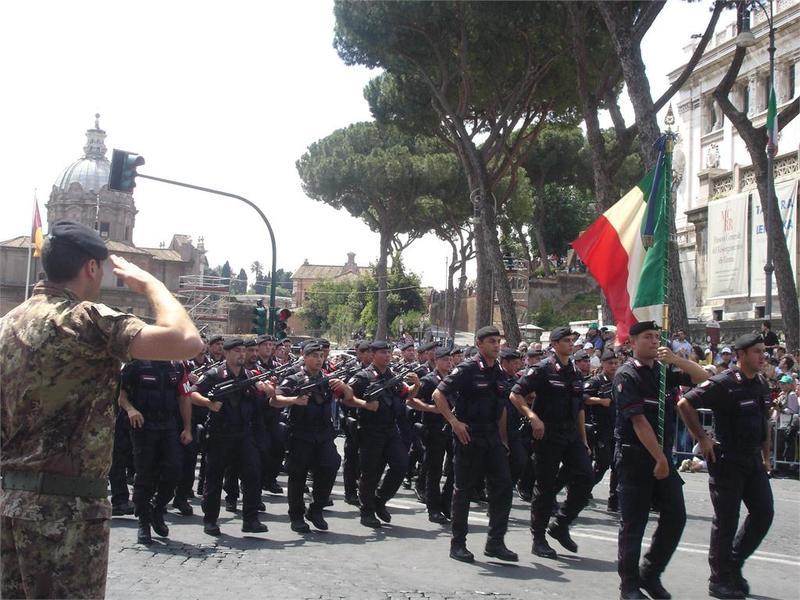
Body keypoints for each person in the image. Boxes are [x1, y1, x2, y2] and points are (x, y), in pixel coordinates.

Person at [0, 220, 202, 599]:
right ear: (91, 267)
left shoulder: (6, 326)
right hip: (68, 511)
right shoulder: (87, 320)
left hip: (9, 503)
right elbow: (187, 341)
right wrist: (152, 285)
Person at [612, 320, 709, 600]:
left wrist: (677, 359)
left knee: (676, 517)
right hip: (636, 457)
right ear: (633, 342)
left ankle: (650, 573)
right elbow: (639, 421)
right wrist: (659, 457)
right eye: (648, 337)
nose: (655, 341)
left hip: (661, 456)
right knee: (634, 523)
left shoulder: (663, 372)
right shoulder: (627, 374)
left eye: (657, 336)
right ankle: (629, 586)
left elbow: (702, 377)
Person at [678, 333, 774, 599]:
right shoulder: (723, 383)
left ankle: (733, 563)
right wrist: (702, 438)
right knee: (727, 521)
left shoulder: (761, 383)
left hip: (752, 460)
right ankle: (719, 579)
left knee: (764, 513)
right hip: (728, 460)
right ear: (741, 355)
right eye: (756, 351)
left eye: (763, 351)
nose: (762, 356)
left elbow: (764, 423)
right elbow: (685, 403)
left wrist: (766, 457)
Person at [433, 326, 518, 564]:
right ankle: (458, 544)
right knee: (464, 490)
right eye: (491, 341)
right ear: (479, 344)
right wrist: (454, 422)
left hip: (492, 437)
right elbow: (438, 395)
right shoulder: (467, 368)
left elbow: (501, 408)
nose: (496, 345)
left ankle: (495, 542)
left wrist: (503, 440)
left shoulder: (499, 372)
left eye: (498, 341)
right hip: (469, 436)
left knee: (503, 486)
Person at [509, 326, 592, 560]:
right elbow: (515, 394)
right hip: (548, 436)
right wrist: (532, 417)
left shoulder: (575, 372)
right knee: (545, 487)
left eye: (572, 340)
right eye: (566, 340)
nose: (571, 344)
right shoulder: (542, 369)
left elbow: (580, 408)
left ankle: (561, 524)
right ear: (554, 345)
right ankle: (538, 539)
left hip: (571, 435)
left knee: (586, 477)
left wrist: (583, 439)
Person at [190, 338, 272, 536]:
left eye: (244, 350)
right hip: (219, 433)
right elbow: (192, 394)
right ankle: (210, 520)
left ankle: (250, 520)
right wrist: (208, 404)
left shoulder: (251, 376)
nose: (242, 354)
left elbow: (268, 395)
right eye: (237, 351)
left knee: (253, 475)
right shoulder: (214, 374)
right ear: (226, 353)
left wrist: (268, 390)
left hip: (244, 433)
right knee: (214, 479)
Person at [273, 342, 353, 532]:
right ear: (305, 357)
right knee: (298, 475)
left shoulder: (328, 379)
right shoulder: (294, 378)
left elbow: (349, 398)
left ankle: (316, 508)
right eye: (315, 356)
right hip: (301, 433)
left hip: (323, 433)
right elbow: (275, 400)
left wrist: (344, 386)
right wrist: (294, 400)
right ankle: (296, 516)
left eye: (321, 356)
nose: (319, 359)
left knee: (331, 465)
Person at [118, 359, 193, 544]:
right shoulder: (135, 365)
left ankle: (157, 508)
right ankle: (143, 522)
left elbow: (184, 397)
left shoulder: (178, 367)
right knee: (145, 474)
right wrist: (130, 409)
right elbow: (121, 395)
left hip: (168, 424)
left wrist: (187, 428)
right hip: (143, 425)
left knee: (174, 469)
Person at [348, 341, 420, 528]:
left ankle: (380, 500)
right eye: (382, 352)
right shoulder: (363, 377)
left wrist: (417, 385)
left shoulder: (393, 376)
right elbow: (346, 398)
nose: (387, 355)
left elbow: (407, 395)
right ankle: (367, 511)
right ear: (373, 355)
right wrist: (365, 405)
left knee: (401, 464)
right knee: (370, 472)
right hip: (370, 430)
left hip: (390, 429)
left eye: (388, 352)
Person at [408, 346, 453, 523]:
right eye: (445, 359)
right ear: (436, 360)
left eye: (450, 359)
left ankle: (446, 503)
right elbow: (411, 401)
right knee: (434, 470)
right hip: (434, 428)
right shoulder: (429, 380)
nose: (448, 362)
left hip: (452, 427)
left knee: (455, 467)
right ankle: (433, 509)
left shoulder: (453, 378)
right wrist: (430, 408)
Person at [583, 349, 620, 512]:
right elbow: (583, 397)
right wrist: (599, 401)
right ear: (603, 364)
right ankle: (582, 489)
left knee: (617, 465)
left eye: (616, 363)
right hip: (601, 428)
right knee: (603, 463)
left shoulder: (620, 380)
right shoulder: (596, 381)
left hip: (617, 428)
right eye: (610, 363)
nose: (613, 366)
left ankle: (614, 501)